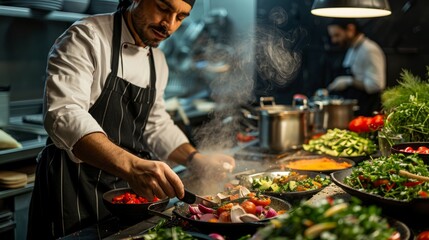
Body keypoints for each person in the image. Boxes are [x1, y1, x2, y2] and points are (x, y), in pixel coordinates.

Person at [27, 0, 235, 238]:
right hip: (73, 189)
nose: (169, 24)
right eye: (163, 8)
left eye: (180, 17)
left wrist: (196, 160)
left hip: (126, 193)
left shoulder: (157, 60)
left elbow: (156, 125)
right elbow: (63, 114)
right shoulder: (86, 37)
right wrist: (132, 166)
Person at [326, 18, 386, 116]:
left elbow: (376, 85)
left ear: (350, 29)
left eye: (337, 35)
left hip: (368, 111)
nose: (334, 40)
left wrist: (349, 81)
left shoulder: (369, 50)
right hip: (355, 110)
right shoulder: (352, 48)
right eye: (332, 36)